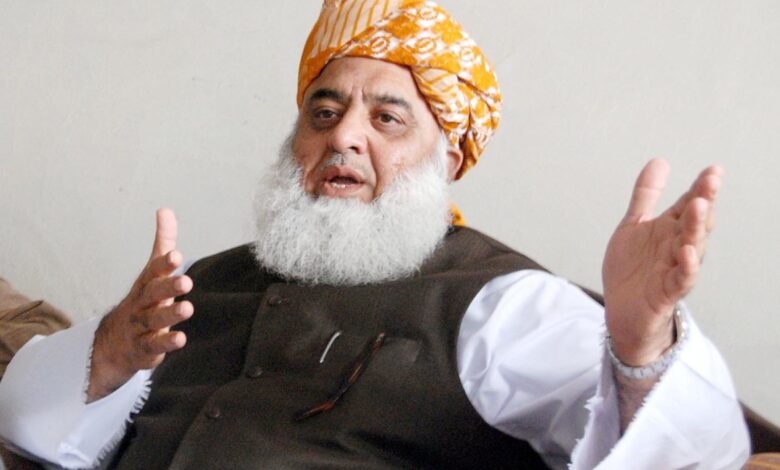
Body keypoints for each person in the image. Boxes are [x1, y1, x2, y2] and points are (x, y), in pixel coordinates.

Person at [0, 1, 749, 468]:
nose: (344, 136)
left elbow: (696, 456)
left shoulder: (500, 303)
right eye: (323, 113)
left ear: (448, 157)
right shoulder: (201, 282)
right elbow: (29, 429)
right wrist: (110, 351)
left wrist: (642, 351)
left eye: (387, 118)